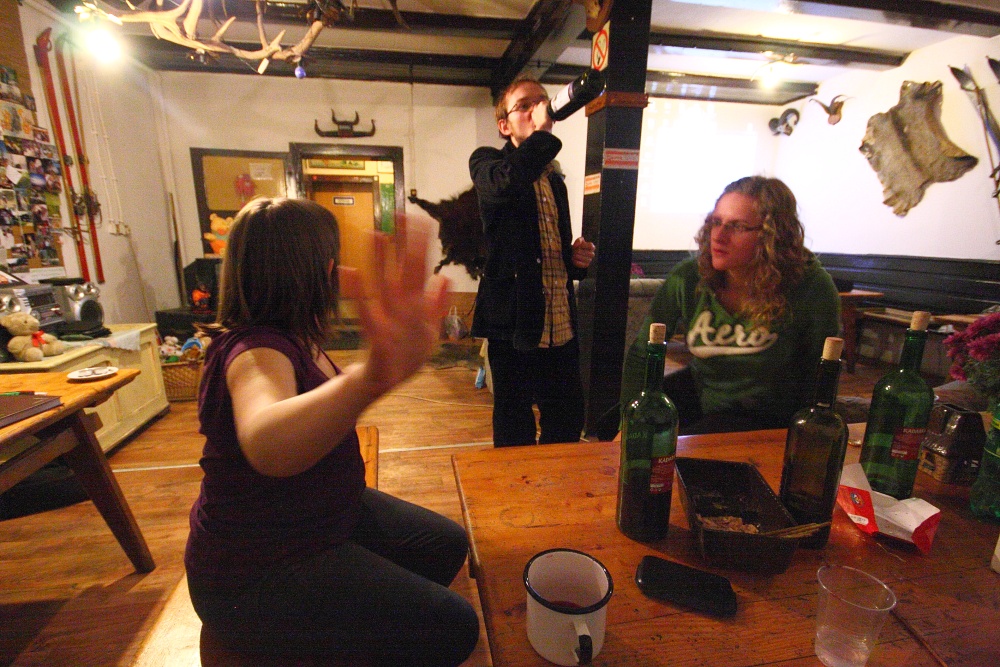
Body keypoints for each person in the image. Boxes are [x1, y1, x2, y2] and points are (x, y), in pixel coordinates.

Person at [184, 197, 480, 666]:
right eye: (333, 259)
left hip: (321, 517)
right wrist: (368, 379)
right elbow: (266, 440)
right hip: (256, 571)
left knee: (447, 545)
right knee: (455, 627)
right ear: (318, 270)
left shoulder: (295, 339)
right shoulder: (255, 350)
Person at [620, 176, 841, 435]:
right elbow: (642, 353)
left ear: (773, 236)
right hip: (705, 401)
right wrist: (628, 423)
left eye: (737, 226)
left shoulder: (812, 287)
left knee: (683, 441)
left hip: (768, 419)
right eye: (716, 222)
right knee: (617, 423)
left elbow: (819, 377)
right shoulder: (689, 277)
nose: (719, 236)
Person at [469, 75, 596, 447]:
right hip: (514, 324)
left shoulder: (554, 179)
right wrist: (542, 134)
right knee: (515, 427)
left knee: (567, 422)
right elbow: (507, 183)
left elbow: (545, 250)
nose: (537, 109)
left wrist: (574, 260)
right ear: (504, 125)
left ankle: (557, 484)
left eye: (541, 102)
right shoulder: (487, 162)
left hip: (560, 322)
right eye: (524, 105)